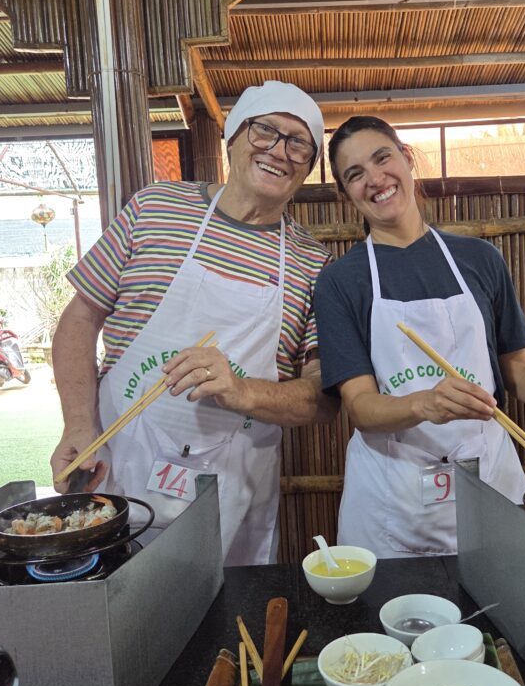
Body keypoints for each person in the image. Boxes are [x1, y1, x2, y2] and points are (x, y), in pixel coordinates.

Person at [314, 115, 525, 558]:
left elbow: (520, 372)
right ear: (346, 195)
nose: (375, 179)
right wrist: (425, 403)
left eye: (383, 158)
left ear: (406, 158)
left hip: (489, 481)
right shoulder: (342, 281)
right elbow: (361, 406)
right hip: (392, 502)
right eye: (355, 175)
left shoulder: (479, 259)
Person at [50, 81, 337, 565]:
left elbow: (323, 398)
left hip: (233, 490)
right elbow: (80, 319)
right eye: (264, 131)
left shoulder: (313, 264)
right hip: (119, 466)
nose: (278, 151)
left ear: (308, 167)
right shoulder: (154, 209)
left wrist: (240, 390)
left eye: (298, 143)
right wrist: (78, 424)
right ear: (232, 138)